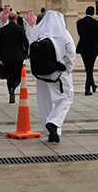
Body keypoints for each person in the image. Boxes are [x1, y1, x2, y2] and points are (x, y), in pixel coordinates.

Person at [28, 10, 75, 143]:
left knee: (45, 104)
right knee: (65, 99)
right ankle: (54, 123)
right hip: (60, 74)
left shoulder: (37, 34)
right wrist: (68, 69)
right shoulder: (64, 34)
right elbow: (71, 53)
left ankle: (51, 133)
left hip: (42, 75)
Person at [0, 9, 30, 103]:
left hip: (6, 56)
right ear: (16, 18)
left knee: (9, 74)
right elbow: (25, 42)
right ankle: (13, 87)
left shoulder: (3, 30)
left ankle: (10, 88)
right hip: (17, 56)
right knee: (17, 74)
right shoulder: (20, 29)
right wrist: (27, 52)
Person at [75, 6, 98, 96]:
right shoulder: (96, 23)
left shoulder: (79, 22)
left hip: (83, 47)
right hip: (92, 48)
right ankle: (87, 89)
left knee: (88, 68)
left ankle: (93, 84)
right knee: (90, 68)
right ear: (93, 13)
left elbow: (80, 34)